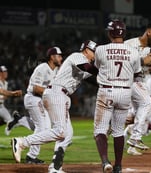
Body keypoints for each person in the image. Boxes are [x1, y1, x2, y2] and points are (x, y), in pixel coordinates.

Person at [11, 40, 98, 173]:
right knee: (60, 131)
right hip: (57, 93)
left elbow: (93, 79)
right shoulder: (77, 56)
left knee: (68, 134)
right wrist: (105, 70)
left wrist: (109, 80)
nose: (95, 55)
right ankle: (22, 142)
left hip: (61, 95)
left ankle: (55, 167)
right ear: (86, 50)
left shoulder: (83, 64)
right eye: (93, 51)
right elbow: (89, 69)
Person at [93, 19, 141, 173]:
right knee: (119, 131)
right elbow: (138, 73)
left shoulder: (100, 49)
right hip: (125, 92)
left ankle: (106, 162)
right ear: (124, 33)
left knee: (100, 129)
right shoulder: (133, 51)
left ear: (109, 33)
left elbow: (98, 67)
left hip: (107, 90)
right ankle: (118, 165)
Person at [124, 22, 151, 151]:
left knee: (143, 105)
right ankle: (133, 136)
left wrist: (131, 60)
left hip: (136, 80)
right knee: (143, 105)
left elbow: (149, 60)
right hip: (123, 80)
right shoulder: (128, 44)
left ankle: (134, 136)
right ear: (149, 32)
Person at [19, 46, 62, 164]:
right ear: (52, 57)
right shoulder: (42, 68)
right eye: (59, 55)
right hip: (33, 98)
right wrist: (54, 93)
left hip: (41, 100)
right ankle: (28, 153)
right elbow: (36, 88)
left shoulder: (56, 70)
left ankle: (30, 153)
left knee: (46, 128)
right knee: (42, 126)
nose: (61, 58)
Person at [0, 65, 24, 130]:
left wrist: (6, 95)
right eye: (3, 72)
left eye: (6, 71)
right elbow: (2, 91)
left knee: (10, 122)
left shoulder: (6, 83)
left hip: (1, 106)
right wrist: (13, 93)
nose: (5, 73)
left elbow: (5, 94)